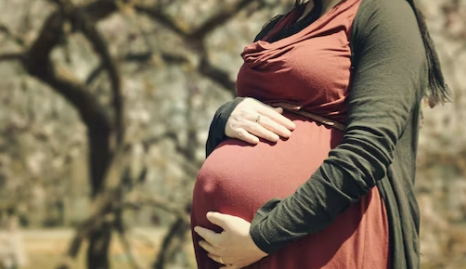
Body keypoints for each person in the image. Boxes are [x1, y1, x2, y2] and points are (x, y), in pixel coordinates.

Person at [190, 0, 451, 268]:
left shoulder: (385, 12)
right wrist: (226, 116)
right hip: (238, 247)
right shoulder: (282, 25)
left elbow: (368, 151)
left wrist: (263, 237)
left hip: (318, 236)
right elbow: (255, 118)